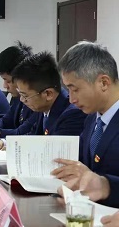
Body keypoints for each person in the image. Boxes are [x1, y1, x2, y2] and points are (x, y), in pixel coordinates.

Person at [51, 41, 119, 210]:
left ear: (103, 83)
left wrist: (105, 185)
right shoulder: (91, 118)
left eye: (75, 89)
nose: (71, 99)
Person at [0, 51, 86, 149]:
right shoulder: (43, 106)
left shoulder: (72, 114)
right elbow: (33, 136)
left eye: (25, 96)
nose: (22, 100)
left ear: (48, 94)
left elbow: (52, 150)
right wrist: (4, 143)